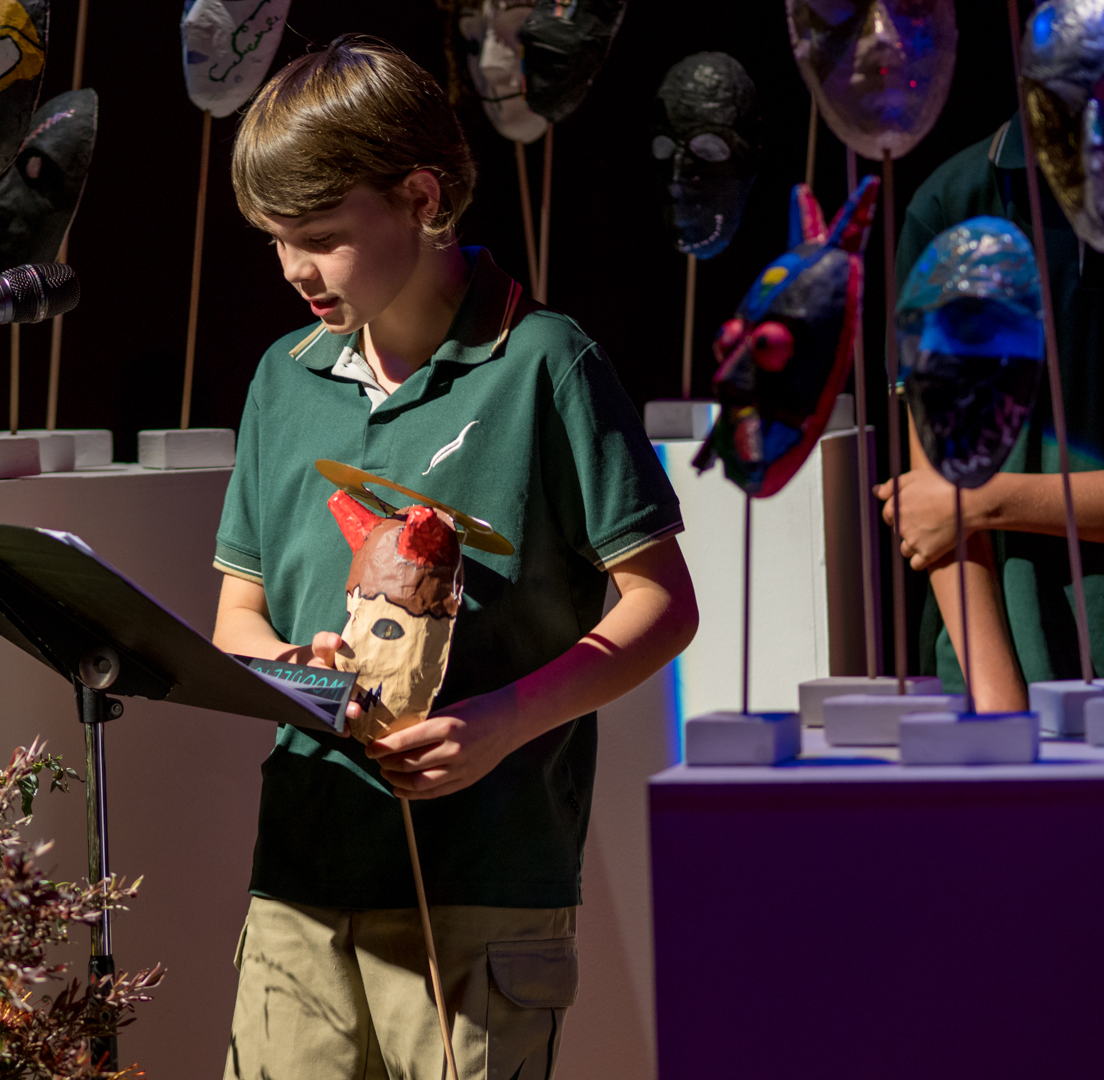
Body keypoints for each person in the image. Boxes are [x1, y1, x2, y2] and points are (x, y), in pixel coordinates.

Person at [210, 36, 698, 1080]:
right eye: (275, 241)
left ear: (423, 197)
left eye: (321, 237)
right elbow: (236, 623)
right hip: (300, 874)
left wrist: (503, 721)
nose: (293, 269)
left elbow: (662, 604)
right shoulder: (282, 377)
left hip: (486, 876)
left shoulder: (544, 360)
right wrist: (299, 669)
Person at [879, 114, 1104, 709]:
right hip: (1005, 666)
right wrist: (999, 704)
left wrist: (984, 501)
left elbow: (947, 504)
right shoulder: (954, 202)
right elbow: (934, 494)